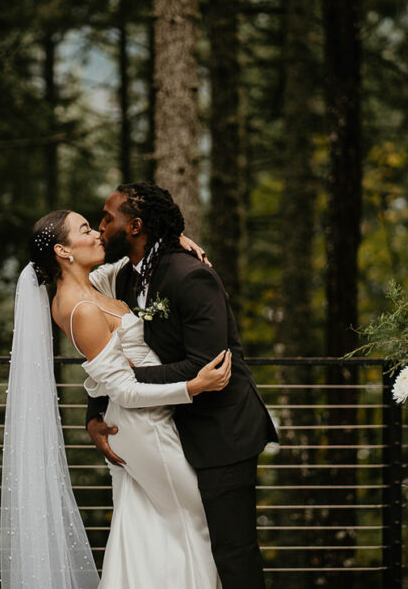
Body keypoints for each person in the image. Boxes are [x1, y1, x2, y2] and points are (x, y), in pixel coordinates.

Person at [1, 208, 230, 588]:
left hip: (144, 420)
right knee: (198, 521)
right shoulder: (81, 309)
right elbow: (122, 388)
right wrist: (192, 387)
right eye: (85, 230)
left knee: (141, 530)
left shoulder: (93, 285)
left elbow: (128, 262)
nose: (97, 235)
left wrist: (176, 243)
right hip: (143, 426)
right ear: (63, 250)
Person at [87, 182, 279, 589]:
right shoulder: (123, 277)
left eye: (108, 219)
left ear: (135, 226)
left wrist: (120, 382)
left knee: (232, 550)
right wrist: (96, 413)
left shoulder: (192, 276)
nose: (100, 228)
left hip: (221, 431)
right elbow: (107, 344)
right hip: (166, 433)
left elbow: (205, 366)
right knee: (184, 542)